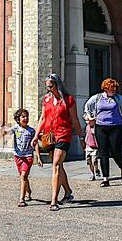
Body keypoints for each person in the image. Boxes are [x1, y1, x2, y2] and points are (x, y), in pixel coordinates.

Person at [34, 73, 82, 211]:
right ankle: (67, 192)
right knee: (59, 166)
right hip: (49, 135)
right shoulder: (46, 100)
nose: (49, 89)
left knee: (55, 164)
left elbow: (75, 120)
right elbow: (43, 118)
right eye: (47, 87)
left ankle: (54, 200)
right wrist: (36, 136)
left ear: (57, 85)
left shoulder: (68, 100)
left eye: (51, 86)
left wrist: (81, 137)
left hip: (63, 135)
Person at [84, 77, 122, 186]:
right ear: (106, 89)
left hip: (115, 127)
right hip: (101, 127)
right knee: (103, 153)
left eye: (114, 88)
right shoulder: (97, 98)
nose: (113, 90)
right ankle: (106, 179)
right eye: (111, 88)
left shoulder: (118, 98)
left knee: (116, 152)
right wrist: (90, 116)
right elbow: (87, 106)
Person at [1, 108, 36, 206]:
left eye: (26, 117)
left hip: (28, 156)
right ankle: (28, 191)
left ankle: (21, 199)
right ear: (18, 119)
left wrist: (39, 157)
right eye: (23, 117)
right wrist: (4, 132)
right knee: (23, 177)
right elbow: (8, 132)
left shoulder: (31, 131)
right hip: (18, 156)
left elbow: (36, 142)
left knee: (24, 176)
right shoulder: (16, 128)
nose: (25, 118)